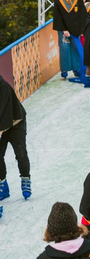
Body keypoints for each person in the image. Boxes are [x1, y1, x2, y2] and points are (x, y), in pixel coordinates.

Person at [0, 73, 30, 210]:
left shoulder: (4, 88)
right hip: (2, 125)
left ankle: (25, 179)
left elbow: (5, 114)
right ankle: (2, 184)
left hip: (16, 122)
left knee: (20, 153)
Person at [52, 0, 87, 80]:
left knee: (75, 48)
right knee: (65, 48)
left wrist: (81, 30)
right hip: (63, 29)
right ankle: (64, 70)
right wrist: (64, 29)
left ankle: (76, 69)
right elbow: (57, 15)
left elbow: (82, 14)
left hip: (75, 28)